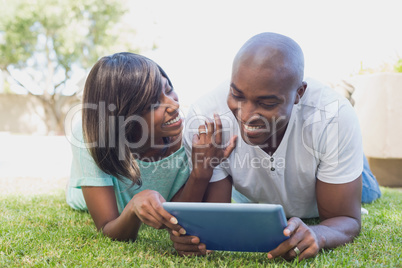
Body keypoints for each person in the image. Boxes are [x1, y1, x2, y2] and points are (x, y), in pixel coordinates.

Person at [170, 32, 381, 260]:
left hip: (332, 172)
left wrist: (318, 234)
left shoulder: (333, 117)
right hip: (257, 191)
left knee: (367, 190)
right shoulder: (205, 117)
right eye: (237, 95)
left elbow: (346, 219)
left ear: (299, 93)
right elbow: (216, 222)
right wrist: (194, 236)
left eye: (267, 103)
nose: (247, 115)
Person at [66, 52, 237, 245]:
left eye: (168, 89)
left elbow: (174, 216)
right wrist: (132, 208)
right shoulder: (91, 136)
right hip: (86, 199)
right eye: (154, 103)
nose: (174, 104)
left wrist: (200, 173)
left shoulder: (192, 137)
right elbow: (107, 227)